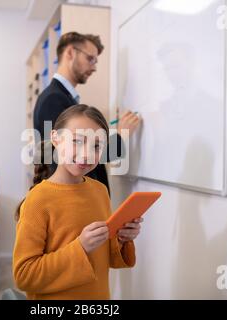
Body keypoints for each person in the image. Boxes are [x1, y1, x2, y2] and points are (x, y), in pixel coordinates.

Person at [13, 104, 143, 299]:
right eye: (77, 141)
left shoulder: (99, 191)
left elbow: (103, 256)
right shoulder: (38, 201)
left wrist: (123, 239)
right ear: (56, 139)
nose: (86, 154)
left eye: (97, 146)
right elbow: (24, 276)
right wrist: (80, 247)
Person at [33, 32, 141, 194]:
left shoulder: (62, 97)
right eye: (90, 59)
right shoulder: (54, 98)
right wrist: (120, 135)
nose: (94, 67)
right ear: (70, 52)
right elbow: (70, 156)